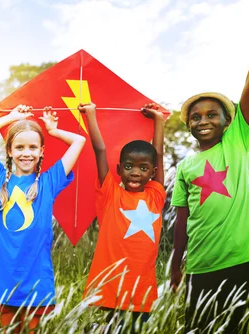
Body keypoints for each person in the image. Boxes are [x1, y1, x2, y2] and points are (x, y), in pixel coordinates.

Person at [170, 3, 249, 333]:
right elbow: (181, 221)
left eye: (211, 115)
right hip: (200, 265)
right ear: (189, 125)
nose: (203, 120)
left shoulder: (236, 142)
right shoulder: (186, 166)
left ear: (227, 121)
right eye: (195, 117)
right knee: (198, 326)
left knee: (234, 326)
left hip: (240, 258)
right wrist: (177, 264)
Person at [0, 105, 86, 333]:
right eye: (20, 147)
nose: (27, 153)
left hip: (35, 276)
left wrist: (53, 130)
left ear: (42, 151)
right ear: (10, 150)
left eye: (33, 147)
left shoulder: (48, 182)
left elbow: (78, 142)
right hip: (4, 274)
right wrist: (12, 118)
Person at [81, 102, 166, 334]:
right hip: (113, 284)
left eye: (143, 168)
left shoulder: (156, 195)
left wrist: (159, 120)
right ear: (119, 169)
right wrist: (91, 116)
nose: (136, 172)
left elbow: (158, 153)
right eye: (129, 166)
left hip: (142, 288)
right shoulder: (110, 193)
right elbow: (100, 150)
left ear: (153, 172)